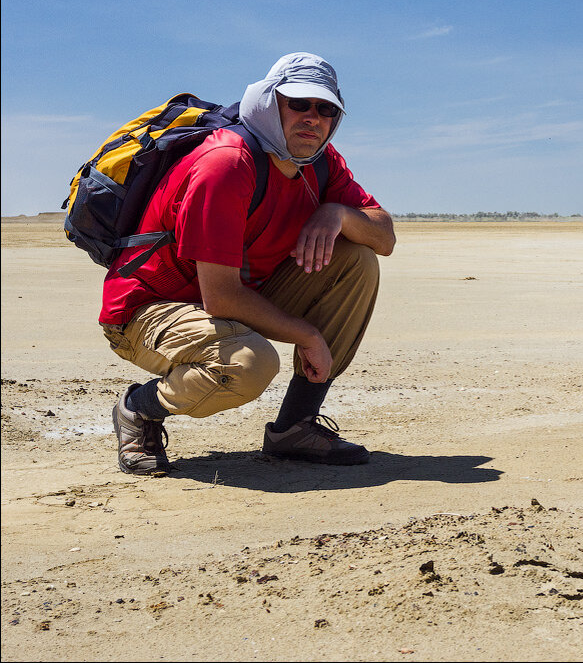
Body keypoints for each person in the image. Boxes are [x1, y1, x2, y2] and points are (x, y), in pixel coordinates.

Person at [99, 52, 395, 476]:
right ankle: (138, 409)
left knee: (357, 258)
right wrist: (307, 334)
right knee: (249, 364)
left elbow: (384, 237)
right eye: (299, 104)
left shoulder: (321, 164)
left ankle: (294, 427)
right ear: (270, 102)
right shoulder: (227, 164)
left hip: (237, 293)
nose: (312, 118)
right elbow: (221, 297)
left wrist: (339, 215)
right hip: (147, 310)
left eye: (325, 108)